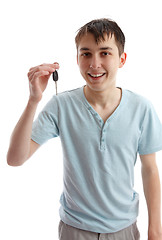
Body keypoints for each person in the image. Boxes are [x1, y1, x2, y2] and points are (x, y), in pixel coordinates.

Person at [7, 18, 162, 240]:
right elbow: (15, 158)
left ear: (122, 59)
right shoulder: (61, 105)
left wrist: (155, 231)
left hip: (124, 230)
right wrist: (33, 100)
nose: (94, 64)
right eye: (86, 54)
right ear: (77, 58)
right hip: (75, 230)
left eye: (105, 53)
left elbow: (150, 170)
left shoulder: (142, 108)